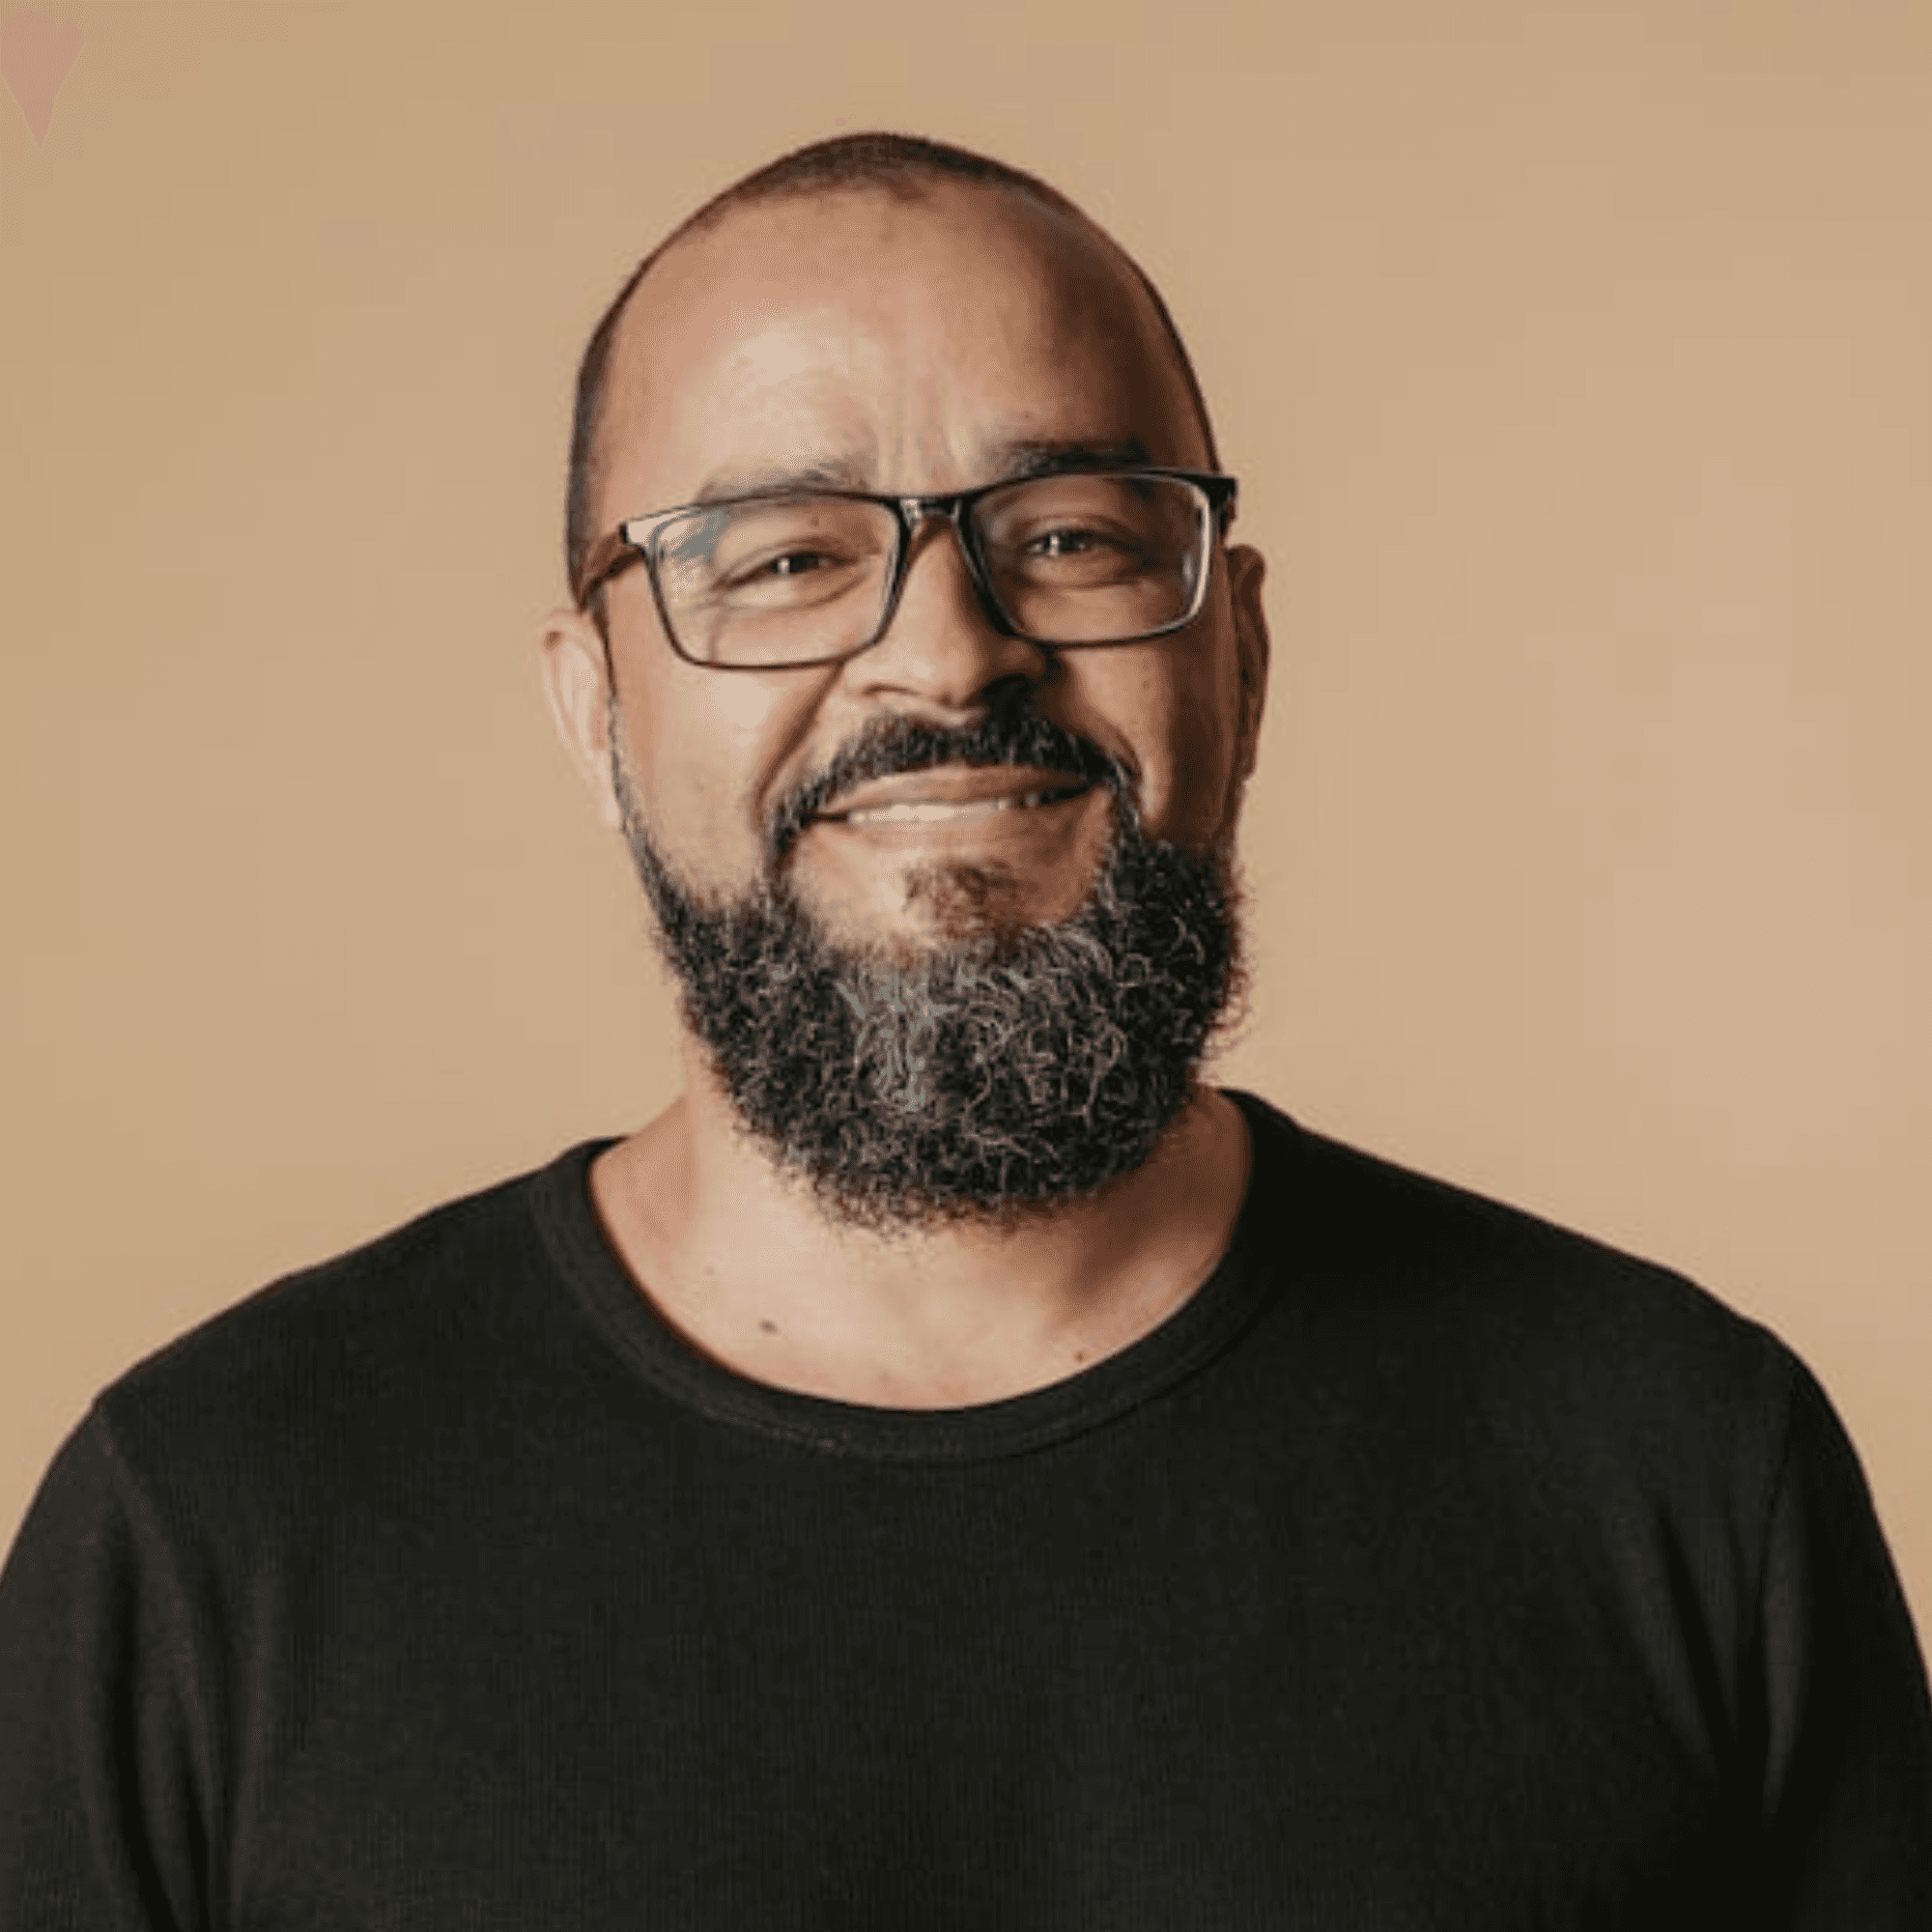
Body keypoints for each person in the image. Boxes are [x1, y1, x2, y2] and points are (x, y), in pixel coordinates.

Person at [2, 131, 1928, 1928]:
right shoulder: (203, 1544)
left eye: (1074, 533)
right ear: (593, 710)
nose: (943, 650)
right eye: (780, 557)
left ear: (1236, 656)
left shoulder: (1672, 1464)